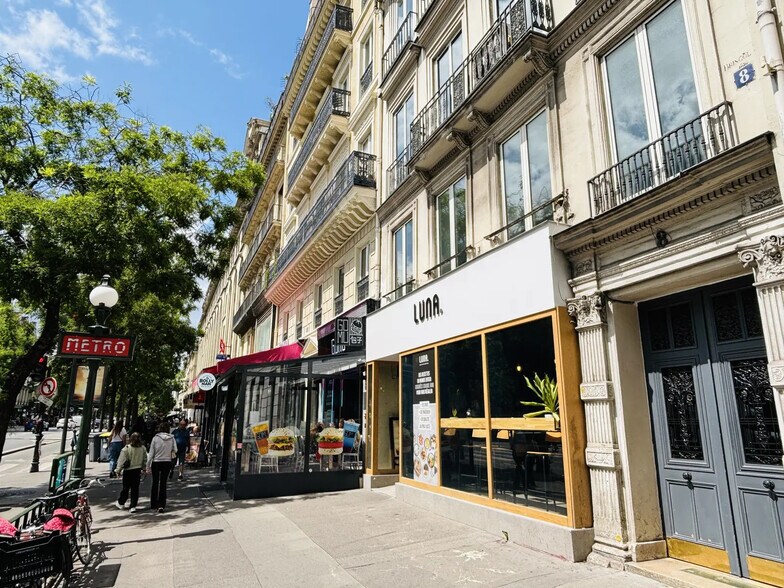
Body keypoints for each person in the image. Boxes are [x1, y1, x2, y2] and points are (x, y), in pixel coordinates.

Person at [114, 432, 147, 513]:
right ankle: (133, 506)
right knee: (135, 489)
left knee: (125, 488)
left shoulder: (126, 449)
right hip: (137, 470)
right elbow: (145, 459)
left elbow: (121, 461)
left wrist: (117, 470)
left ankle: (121, 502)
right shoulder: (143, 448)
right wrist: (144, 468)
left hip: (128, 470)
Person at [146, 421, 176, 513]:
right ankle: (162, 505)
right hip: (167, 462)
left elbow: (151, 453)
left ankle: (154, 503)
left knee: (155, 482)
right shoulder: (172, 438)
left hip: (156, 462)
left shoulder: (155, 438)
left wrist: (148, 465)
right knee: (163, 483)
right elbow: (175, 449)